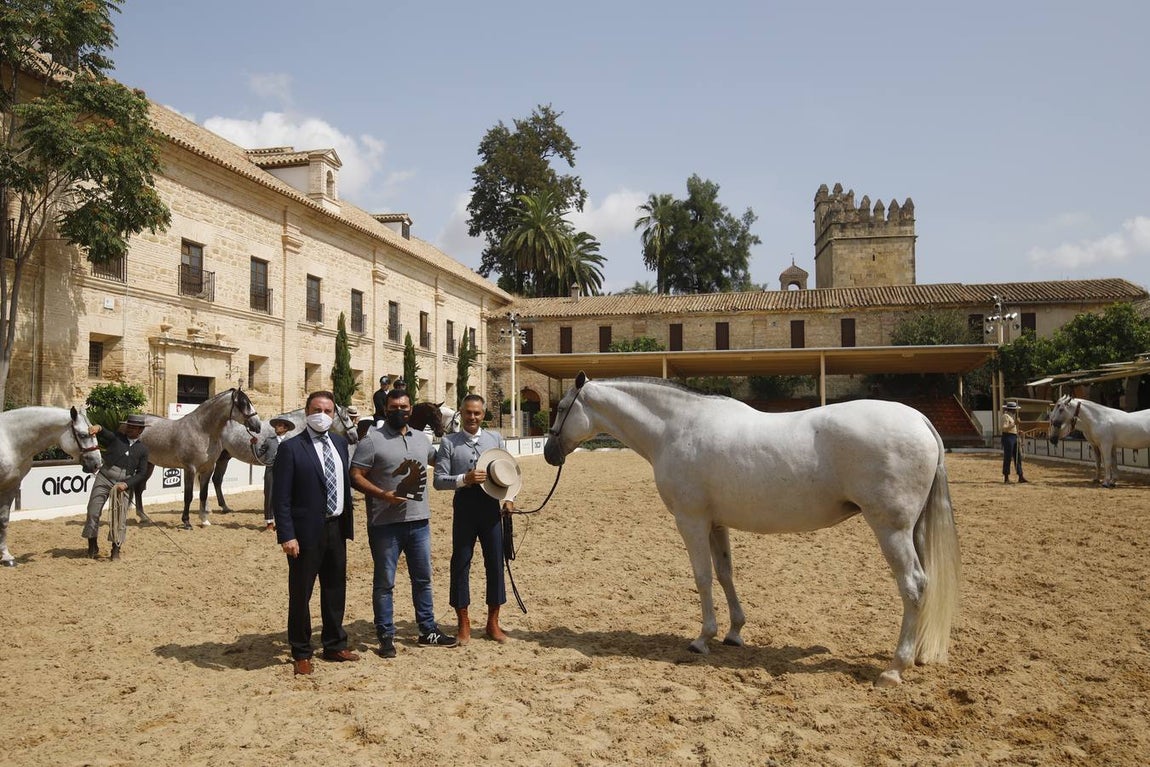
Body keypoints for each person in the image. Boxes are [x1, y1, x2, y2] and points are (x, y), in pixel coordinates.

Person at [350, 387, 456, 658]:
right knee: (385, 582)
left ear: (411, 409)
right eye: (395, 407)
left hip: (419, 521)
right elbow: (356, 475)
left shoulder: (422, 439)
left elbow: (442, 463)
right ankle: (385, 635)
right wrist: (382, 495)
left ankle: (427, 629)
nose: (400, 411)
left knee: (423, 579)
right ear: (386, 409)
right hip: (385, 524)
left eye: (404, 407)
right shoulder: (371, 440)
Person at [272, 391, 359, 675]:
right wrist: (287, 534)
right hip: (305, 532)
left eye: (328, 410)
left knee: (335, 589)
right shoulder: (291, 448)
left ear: (334, 414)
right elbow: (281, 496)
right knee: (301, 593)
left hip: (336, 527)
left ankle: (334, 643)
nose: (323, 414)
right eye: (317, 409)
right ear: (307, 412)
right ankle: (301, 650)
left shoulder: (339, 442)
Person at [433, 394, 518, 644]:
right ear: (461, 413)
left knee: (495, 563)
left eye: (477, 413)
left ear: (483, 414)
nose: (473, 417)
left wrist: (510, 499)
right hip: (464, 509)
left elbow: (508, 473)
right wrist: (464, 479)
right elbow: (438, 480)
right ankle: (463, 621)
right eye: (468, 413)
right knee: (460, 562)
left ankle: (493, 622)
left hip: (491, 509)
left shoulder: (495, 439)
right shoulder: (449, 443)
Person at [82, 414, 150, 561]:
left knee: (119, 518)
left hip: (123, 485)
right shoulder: (117, 438)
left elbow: (142, 473)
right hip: (104, 477)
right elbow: (103, 431)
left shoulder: (143, 450)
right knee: (93, 511)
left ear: (141, 430)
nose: (130, 429)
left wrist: (127, 484)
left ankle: (116, 548)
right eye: (128, 426)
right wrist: (98, 427)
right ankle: (92, 545)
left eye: (133, 427)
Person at [256, 417, 295, 532]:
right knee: (269, 495)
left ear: (285, 428)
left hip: (286, 471)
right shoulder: (269, 440)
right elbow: (258, 454)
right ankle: (269, 522)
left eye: (279, 425)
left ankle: (282, 521)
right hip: (270, 470)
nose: (276, 427)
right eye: (276, 425)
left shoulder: (290, 441)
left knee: (285, 496)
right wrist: (254, 444)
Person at [1001, 401, 1027, 484]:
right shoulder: (1005, 416)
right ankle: (1006, 477)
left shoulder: (1011, 417)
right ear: (1011, 409)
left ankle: (1020, 475)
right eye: (1014, 409)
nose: (1015, 411)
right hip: (1008, 437)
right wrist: (1014, 424)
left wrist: (1017, 431)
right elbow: (1004, 428)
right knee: (1008, 457)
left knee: (1017, 457)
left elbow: (1011, 428)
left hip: (1013, 436)